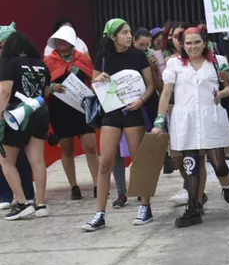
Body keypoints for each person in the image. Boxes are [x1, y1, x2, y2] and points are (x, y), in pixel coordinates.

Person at [152, 27, 229, 228]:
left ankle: (228, 193)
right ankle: (193, 208)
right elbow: (166, 93)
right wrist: (159, 120)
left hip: (211, 117)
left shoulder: (218, 62)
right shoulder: (174, 64)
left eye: (197, 42)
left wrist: (222, 94)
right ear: (182, 45)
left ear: (204, 42)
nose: (193, 47)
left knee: (218, 163)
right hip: (185, 120)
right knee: (190, 164)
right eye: (188, 43)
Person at [83, 19, 155, 231]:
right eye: (124, 32)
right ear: (112, 36)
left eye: (129, 32)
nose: (129, 36)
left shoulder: (137, 55)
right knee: (105, 162)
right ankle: (99, 213)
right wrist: (99, 80)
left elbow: (149, 86)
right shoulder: (102, 56)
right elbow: (94, 85)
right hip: (111, 112)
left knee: (138, 160)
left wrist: (140, 102)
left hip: (133, 111)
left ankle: (145, 206)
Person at [44, 25, 99, 200]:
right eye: (57, 41)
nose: (60, 43)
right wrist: (52, 87)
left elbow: (93, 79)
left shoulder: (82, 59)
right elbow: (42, 85)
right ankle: (74, 186)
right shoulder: (48, 61)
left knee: (91, 147)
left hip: (82, 108)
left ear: (71, 42)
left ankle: (98, 184)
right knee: (67, 150)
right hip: (60, 110)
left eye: (64, 40)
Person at [0, 32, 51, 220]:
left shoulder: (9, 63)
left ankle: (21, 203)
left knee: (6, 162)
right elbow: (45, 91)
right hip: (39, 113)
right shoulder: (41, 64)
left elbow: (5, 92)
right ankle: (40, 203)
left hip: (14, 116)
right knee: (37, 161)